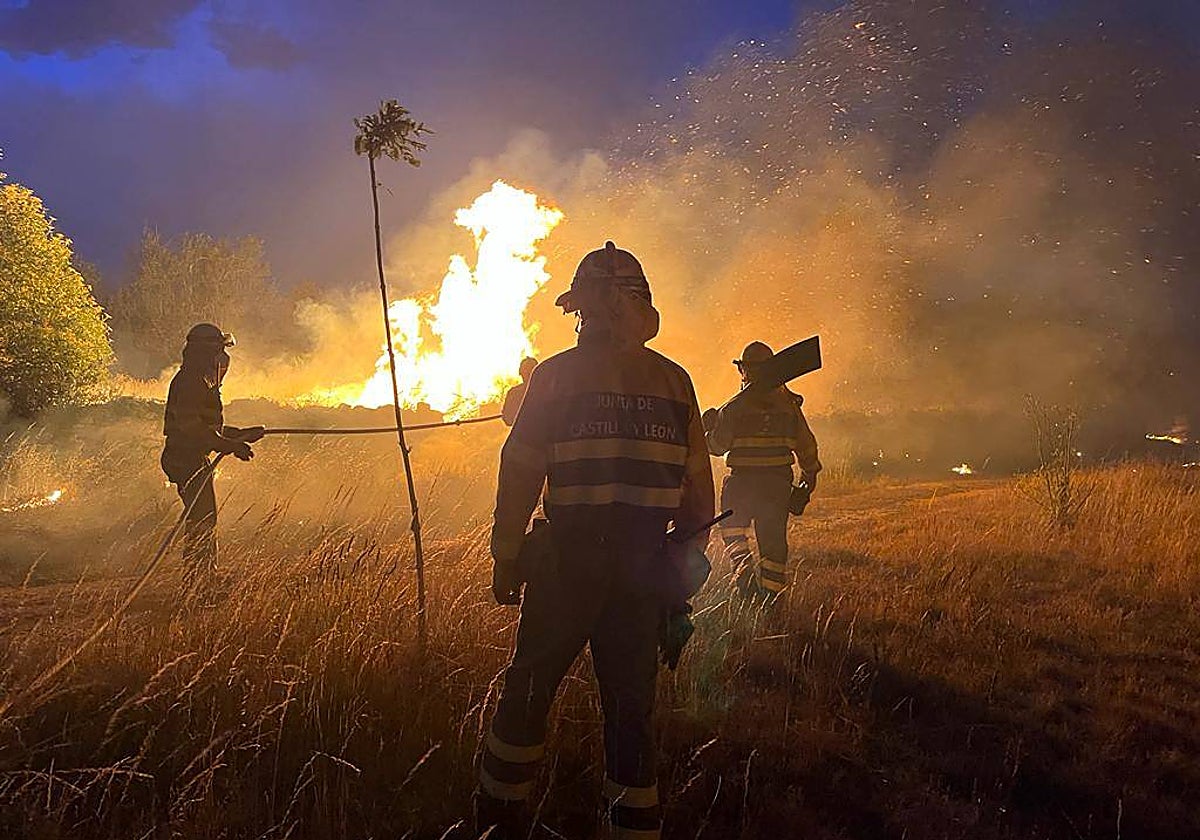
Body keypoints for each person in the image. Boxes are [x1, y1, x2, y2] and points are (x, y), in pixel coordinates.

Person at [477, 241, 715, 839]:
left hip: (566, 560)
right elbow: (698, 497)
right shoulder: (675, 382)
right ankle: (633, 827)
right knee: (631, 709)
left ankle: (499, 820)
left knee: (529, 689)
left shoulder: (555, 377)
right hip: (643, 565)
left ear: (581, 310)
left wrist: (507, 556)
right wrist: (678, 578)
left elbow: (520, 470)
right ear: (644, 311)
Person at [705, 340, 820, 599]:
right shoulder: (789, 408)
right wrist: (809, 476)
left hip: (741, 485)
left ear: (745, 370)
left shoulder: (734, 408)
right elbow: (807, 446)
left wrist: (707, 428)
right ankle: (770, 599)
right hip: (776, 486)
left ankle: (743, 574)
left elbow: (716, 446)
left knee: (732, 531)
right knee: (773, 546)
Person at [160, 323, 263, 590]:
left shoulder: (200, 380)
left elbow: (209, 428)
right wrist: (229, 446)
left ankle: (203, 578)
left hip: (192, 456)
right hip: (184, 459)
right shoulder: (189, 382)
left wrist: (239, 434)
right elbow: (191, 429)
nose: (223, 358)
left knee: (205, 517)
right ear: (206, 353)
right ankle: (198, 584)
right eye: (219, 350)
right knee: (203, 518)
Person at [501, 356, 538, 426]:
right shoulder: (548, 390)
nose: (527, 373)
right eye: (526, 370)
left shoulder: (513, 393)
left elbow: (508, 419)